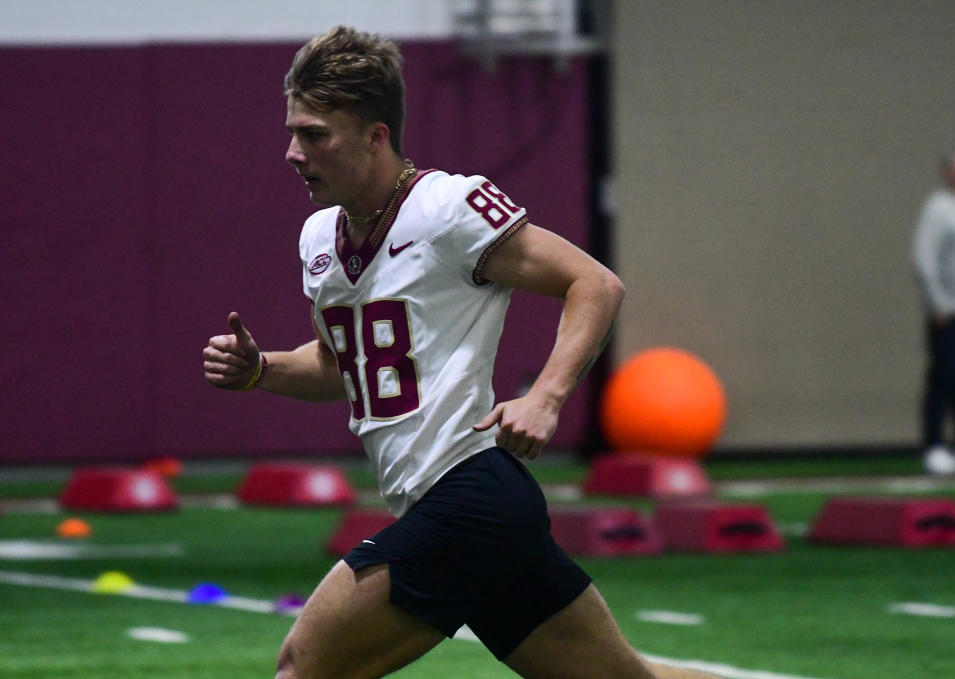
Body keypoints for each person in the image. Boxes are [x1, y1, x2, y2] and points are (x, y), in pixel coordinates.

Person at [204, 26, 718, 679]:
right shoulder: (318, 240)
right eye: (292, 132)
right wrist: (261, 370)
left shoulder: (445, 209)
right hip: (456, 509)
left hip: (472, 494)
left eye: (314, 134)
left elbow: (595, 283)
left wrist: (547, 394)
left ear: (375, 135)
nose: (292, 152)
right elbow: (342, 368)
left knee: (304, 667)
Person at [913, 152, 955, 476]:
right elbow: (924, 258)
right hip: (950, 312)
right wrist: (938, 303)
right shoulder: (939, 209)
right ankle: (934, 445)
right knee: (945, 377)